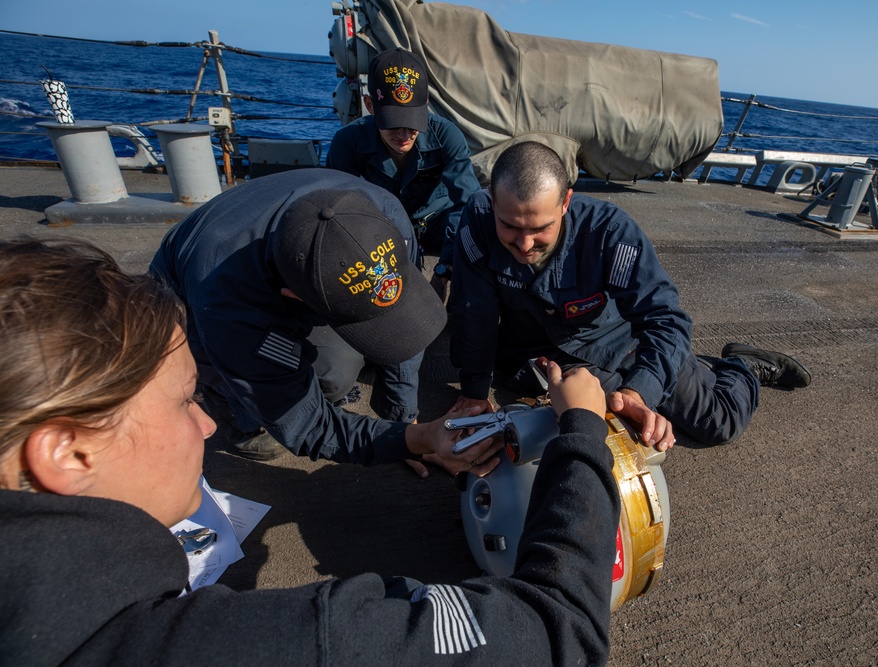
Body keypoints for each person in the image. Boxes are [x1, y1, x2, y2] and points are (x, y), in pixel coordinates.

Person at [0, 238, 621, 665]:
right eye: (186, 400)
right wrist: (583, 431)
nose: (208, 427)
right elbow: (554, 629)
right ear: (67, 453)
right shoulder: (247, 645)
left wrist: (411, 434)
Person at [449, 141, 812, 450]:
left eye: (541, 229)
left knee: (717, 423)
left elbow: (663, 318)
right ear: (493, 201)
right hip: (543, 357)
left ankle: (741, 366)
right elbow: (473, 311)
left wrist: (640, 392)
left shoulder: (609, 232)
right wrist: (474, 391)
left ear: (565, 203)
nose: (524, 245)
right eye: (510, 226)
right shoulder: (477, 221)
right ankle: (684, 364)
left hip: (621, 341)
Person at [149, 168, 499, 473]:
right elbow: (308, 426)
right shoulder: (229, 307)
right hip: (186, 293)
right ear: (295, 298)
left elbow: (403, 324)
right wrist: (413, 441)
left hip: (279, 254)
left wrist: (402, 421)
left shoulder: (384, 214)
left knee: (334, 373)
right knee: (254, 396)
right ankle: (238, 417)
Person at [326, 47, 481, 290]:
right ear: (370, 105)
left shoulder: (447, 136)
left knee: (483, 229)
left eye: (412, 124)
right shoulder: (348, 142)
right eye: (393, 123)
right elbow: (335, 207)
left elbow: (467, 203)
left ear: (425, 105)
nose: (404, 135)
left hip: (436, 226)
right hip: (383, 227)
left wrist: (447, 264)